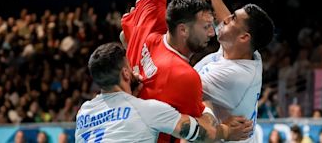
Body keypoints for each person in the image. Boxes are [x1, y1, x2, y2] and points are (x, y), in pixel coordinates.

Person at [120, 0, 252, 142]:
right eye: (206, 27)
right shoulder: (184, 75)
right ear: (183, 30)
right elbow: (201, 132)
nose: (212, 33)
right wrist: (225, 127)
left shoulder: (147, 28)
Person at [153, 0, 275, 142]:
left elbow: (176, 90)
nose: (225, 19)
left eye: (232, 20)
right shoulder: (244, 52)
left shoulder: (235, 76)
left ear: (244, 37)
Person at [75, 42, 251, 142]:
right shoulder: (147, 110)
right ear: (126, 73)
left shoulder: (84, 112)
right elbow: (201, 134)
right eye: (130, 66)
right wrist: (225, 129)